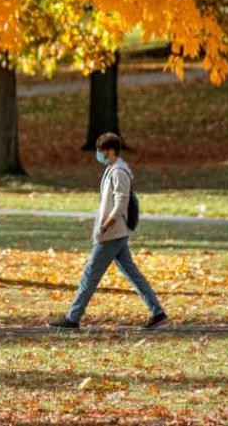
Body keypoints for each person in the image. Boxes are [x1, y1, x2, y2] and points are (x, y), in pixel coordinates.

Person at [50, 132, 168, 329]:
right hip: (115, 233)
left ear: (111, 151)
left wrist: (106, 224)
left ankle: (73, 317)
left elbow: (121, 202)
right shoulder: (113, 170)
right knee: (132, 274)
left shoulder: (119, 172)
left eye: (101, 151)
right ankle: (157, 312)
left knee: (90, 274)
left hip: (112, 233)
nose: (99, 155)